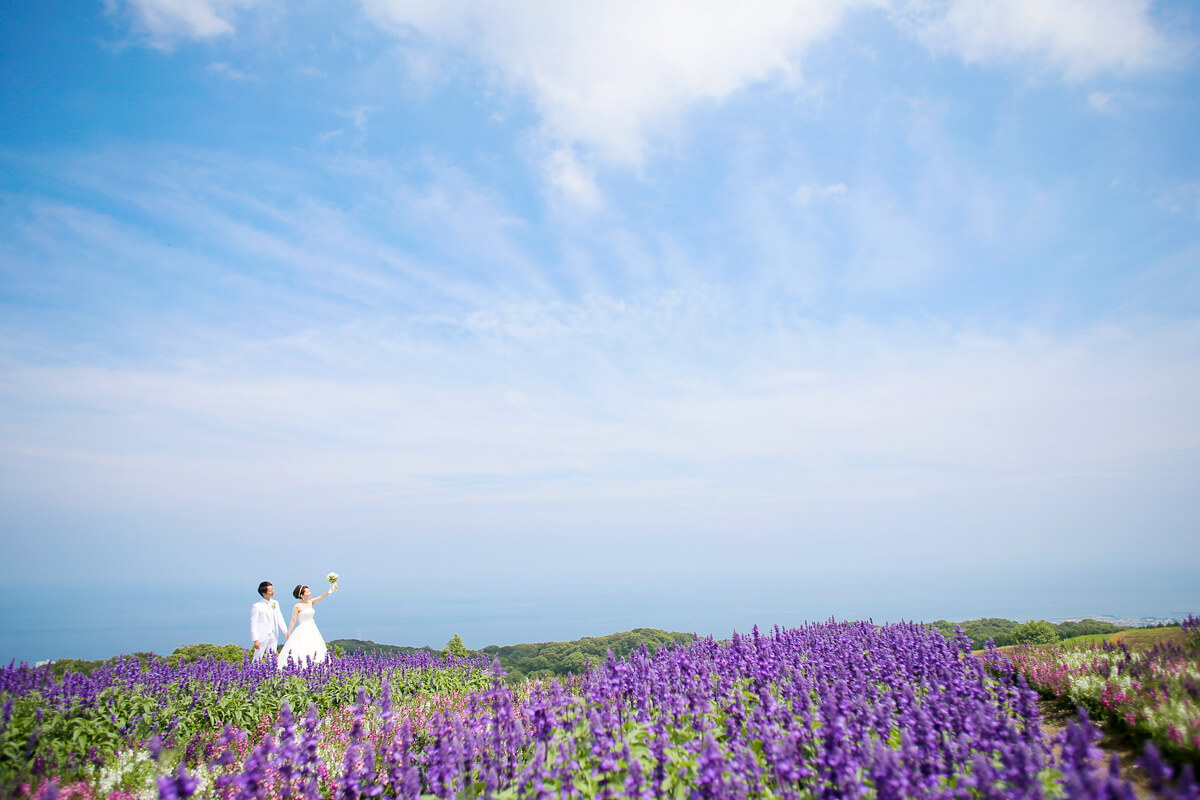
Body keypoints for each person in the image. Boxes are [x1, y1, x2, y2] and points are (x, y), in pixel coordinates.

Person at [277, 581, 338, 667]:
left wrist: (332, 588)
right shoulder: (297, 606)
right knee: (301, 647)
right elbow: (293, 620)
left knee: (314, 647)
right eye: (307, 592)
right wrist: (289, 632)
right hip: (302, 629)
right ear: (302, 595)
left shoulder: (310, 602)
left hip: (312, 628)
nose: (310, 593)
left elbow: (322, 596)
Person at [250, 581, 289, 663]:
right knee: (258, 657)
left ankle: (271, 673)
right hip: (262, 635)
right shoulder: (257, 606)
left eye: (272, 589)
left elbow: (279, 617)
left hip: (274, 633)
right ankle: (253, 673)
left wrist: (285, 631)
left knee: (272, 657)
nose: (273, 592)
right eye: (270, 590)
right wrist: (255, 639)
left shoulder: (275, 603)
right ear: (264, 593)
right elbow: (254, 623)